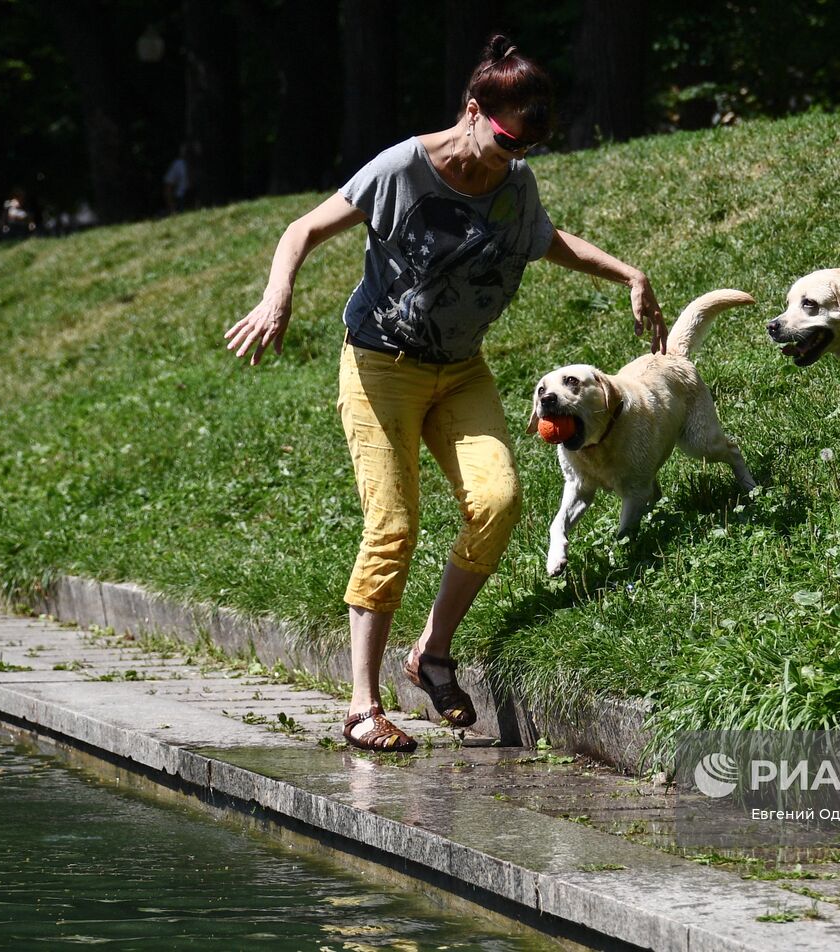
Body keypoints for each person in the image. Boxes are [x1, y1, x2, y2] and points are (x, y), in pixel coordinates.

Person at [224, 34, 666, 753]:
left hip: (460, 368)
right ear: (472, 112)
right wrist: (278, 297)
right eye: (504, 139)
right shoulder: (403, 168)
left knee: (498, 502)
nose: (511, 156)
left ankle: (431, 653)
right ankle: (363, 708)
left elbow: (544, 239)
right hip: (381, 367)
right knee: (392, 527)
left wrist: (629, 274)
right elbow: (302, 228)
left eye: (525, 145)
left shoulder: (515, 181)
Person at [163, 144, 190, 214]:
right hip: (182, 200)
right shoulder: (178, 164)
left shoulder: (202, 164)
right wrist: (173, 209)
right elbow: (168, 188)